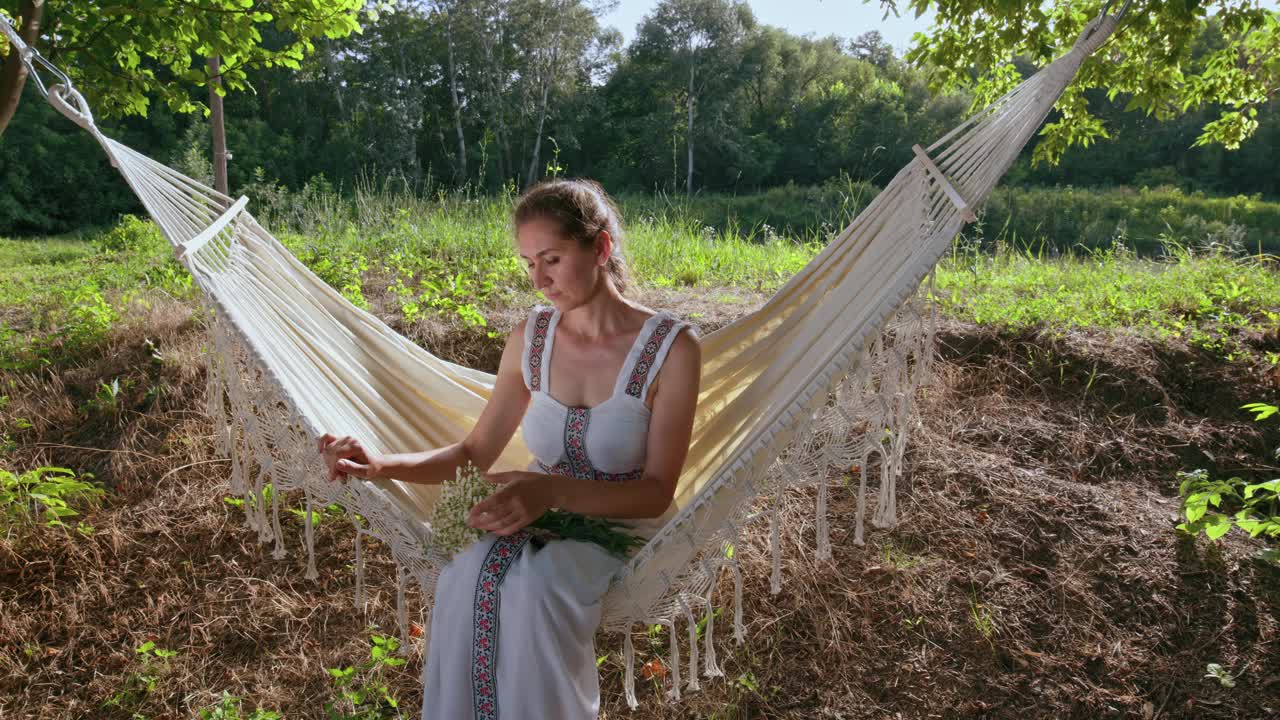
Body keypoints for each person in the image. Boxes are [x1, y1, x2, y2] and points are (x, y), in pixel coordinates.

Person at [316, 178, 701, 720]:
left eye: (553, 259)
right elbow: (474, 452)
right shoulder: (532, 337)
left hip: (620, 522)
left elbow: (657, 492)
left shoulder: (672, 350)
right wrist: (380, 464)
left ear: (601, 248)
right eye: (528, 264)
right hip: (528, 508)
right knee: (463, 579)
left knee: (540, 590)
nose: (540, 280)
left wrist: (550, 490)